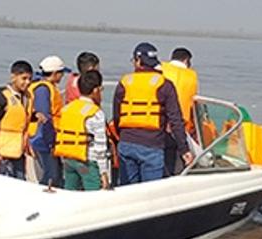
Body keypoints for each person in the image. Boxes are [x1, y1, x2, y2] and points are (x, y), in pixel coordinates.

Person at [113, 42, 193, 185]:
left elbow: (117, 116)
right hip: (152, 145)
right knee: (150, 192)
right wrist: (184, 149)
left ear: (138, 61)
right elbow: (176, 120)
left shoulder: (124, 83)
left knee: (127, 191)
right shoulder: (165, 85)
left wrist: (123, 137)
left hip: (127, 143)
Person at [54, 70, 109, 190]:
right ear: (96, 90)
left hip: (69, 159)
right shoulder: (95, 113)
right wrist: (103, 172)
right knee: (93, 197)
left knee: (70, 193)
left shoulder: (67, 109)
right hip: (88, 161)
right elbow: (100, 146)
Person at [0, 60, 33, 180]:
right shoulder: (1, 96)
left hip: (19, 151)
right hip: (4, 152)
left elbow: (21, 115)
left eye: (29, 79)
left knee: (20, 182)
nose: (27, 82)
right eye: (24, 78)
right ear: (13, 77)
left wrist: (36, 116)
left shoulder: (26, 97)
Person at [28, 55, 70, 187]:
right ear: (54, 73)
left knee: (53, 173)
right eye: (61, 73)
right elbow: (44, 119)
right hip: (42, 140)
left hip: (44, 138)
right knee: (50, 176)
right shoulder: (43, 90)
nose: (62, 76)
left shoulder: (44, 87)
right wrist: (50, 142)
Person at [161, 47, 199, 176]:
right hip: (179, 127)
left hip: (156, 125)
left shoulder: (160, 69)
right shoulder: (191, 77)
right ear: (186, 61)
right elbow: (192, 105)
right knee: (177, 167)